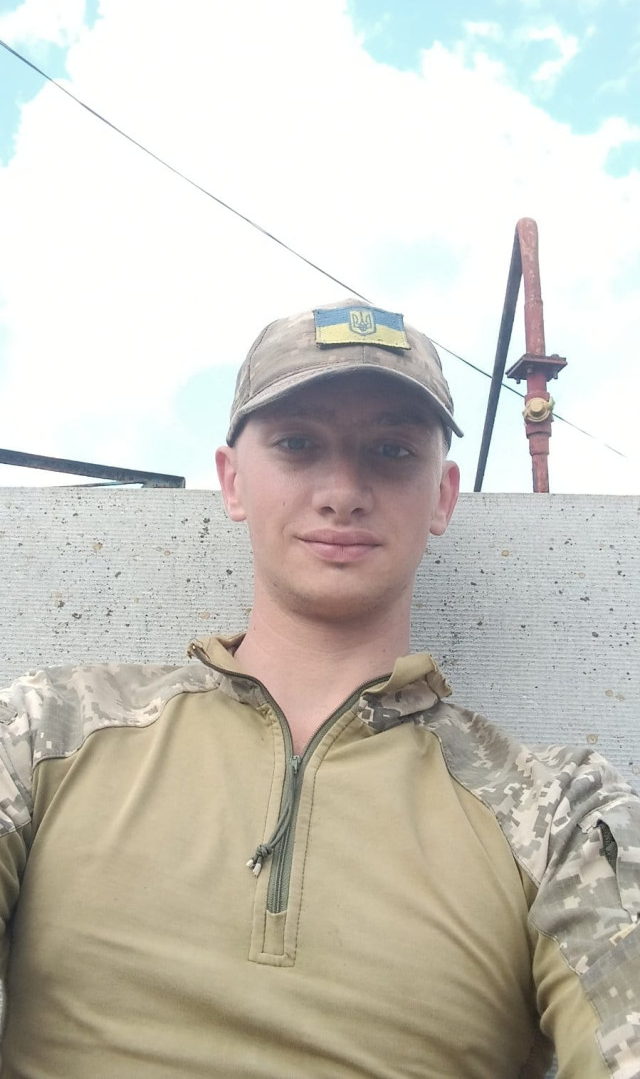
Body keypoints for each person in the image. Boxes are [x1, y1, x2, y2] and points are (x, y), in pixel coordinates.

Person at [0, 300, 638, 1079]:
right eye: (298, 444)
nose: (342, 491)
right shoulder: (45, 732)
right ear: (232, 481)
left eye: (391, 450)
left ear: (443, 496)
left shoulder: (557, 809)